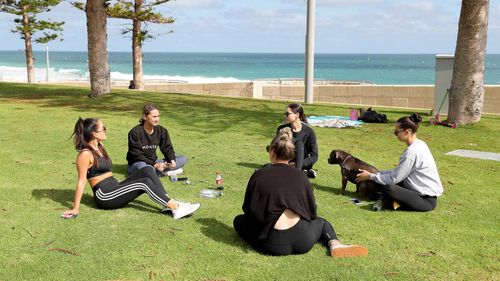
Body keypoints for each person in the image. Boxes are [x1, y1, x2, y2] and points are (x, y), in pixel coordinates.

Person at [234, 128, 368, 257]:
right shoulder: (301, 176)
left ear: (273, 152)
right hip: (302, 240)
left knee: (239, 220)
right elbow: (312, 212)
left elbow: (248, 209)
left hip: (269, 242)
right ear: (291, 155)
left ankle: (333, 244)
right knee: (322, 223)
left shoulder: (259, 175)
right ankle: (335, 244)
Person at [63, 117, 200, 219]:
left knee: (147, 170)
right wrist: (75, 208)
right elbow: (81, 181)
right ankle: (175, 208)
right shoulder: (85, 155)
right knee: (143, 182)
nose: (105, 130)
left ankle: (168, 202)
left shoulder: (100, 147)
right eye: (103, 128)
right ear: (94, 133)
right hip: (105, 196)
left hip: (114, 187)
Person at [356, 113, 443, 212]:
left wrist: (370, 176)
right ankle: (390, 201)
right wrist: (377, 173)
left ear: (407, 131)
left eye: (396, 132)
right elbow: (399, 172)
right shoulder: (420, 144)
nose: (395, 134)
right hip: (418, 193)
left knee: (388, 187)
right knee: (384, 181)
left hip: (425, 200)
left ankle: (389, 202)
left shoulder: (412, 152)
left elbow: (394, 178)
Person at [127, 104, 187, 177]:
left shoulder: (162, 131)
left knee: (183, 159)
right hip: (138, 163)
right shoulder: (135, 132)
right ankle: (160, 172)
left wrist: (171, 160)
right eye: (154, 117)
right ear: (144, 117)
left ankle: (159, 171)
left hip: (155, 162)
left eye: (158, 116)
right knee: (143, 167)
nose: (157, 119)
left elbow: (167, 148)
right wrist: (154, 165)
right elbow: (137, 155)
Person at [276, 103, 318, 178]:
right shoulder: (282, 129)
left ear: (297, 115)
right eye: (285, 113)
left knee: (299, 145)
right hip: (286, 163)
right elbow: (278, 149)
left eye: (287, 114)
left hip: (302, 163)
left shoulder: (309, 132)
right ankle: (305, 172)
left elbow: (314, 156)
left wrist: (298, 164)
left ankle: (304, 171)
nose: (285, 116)